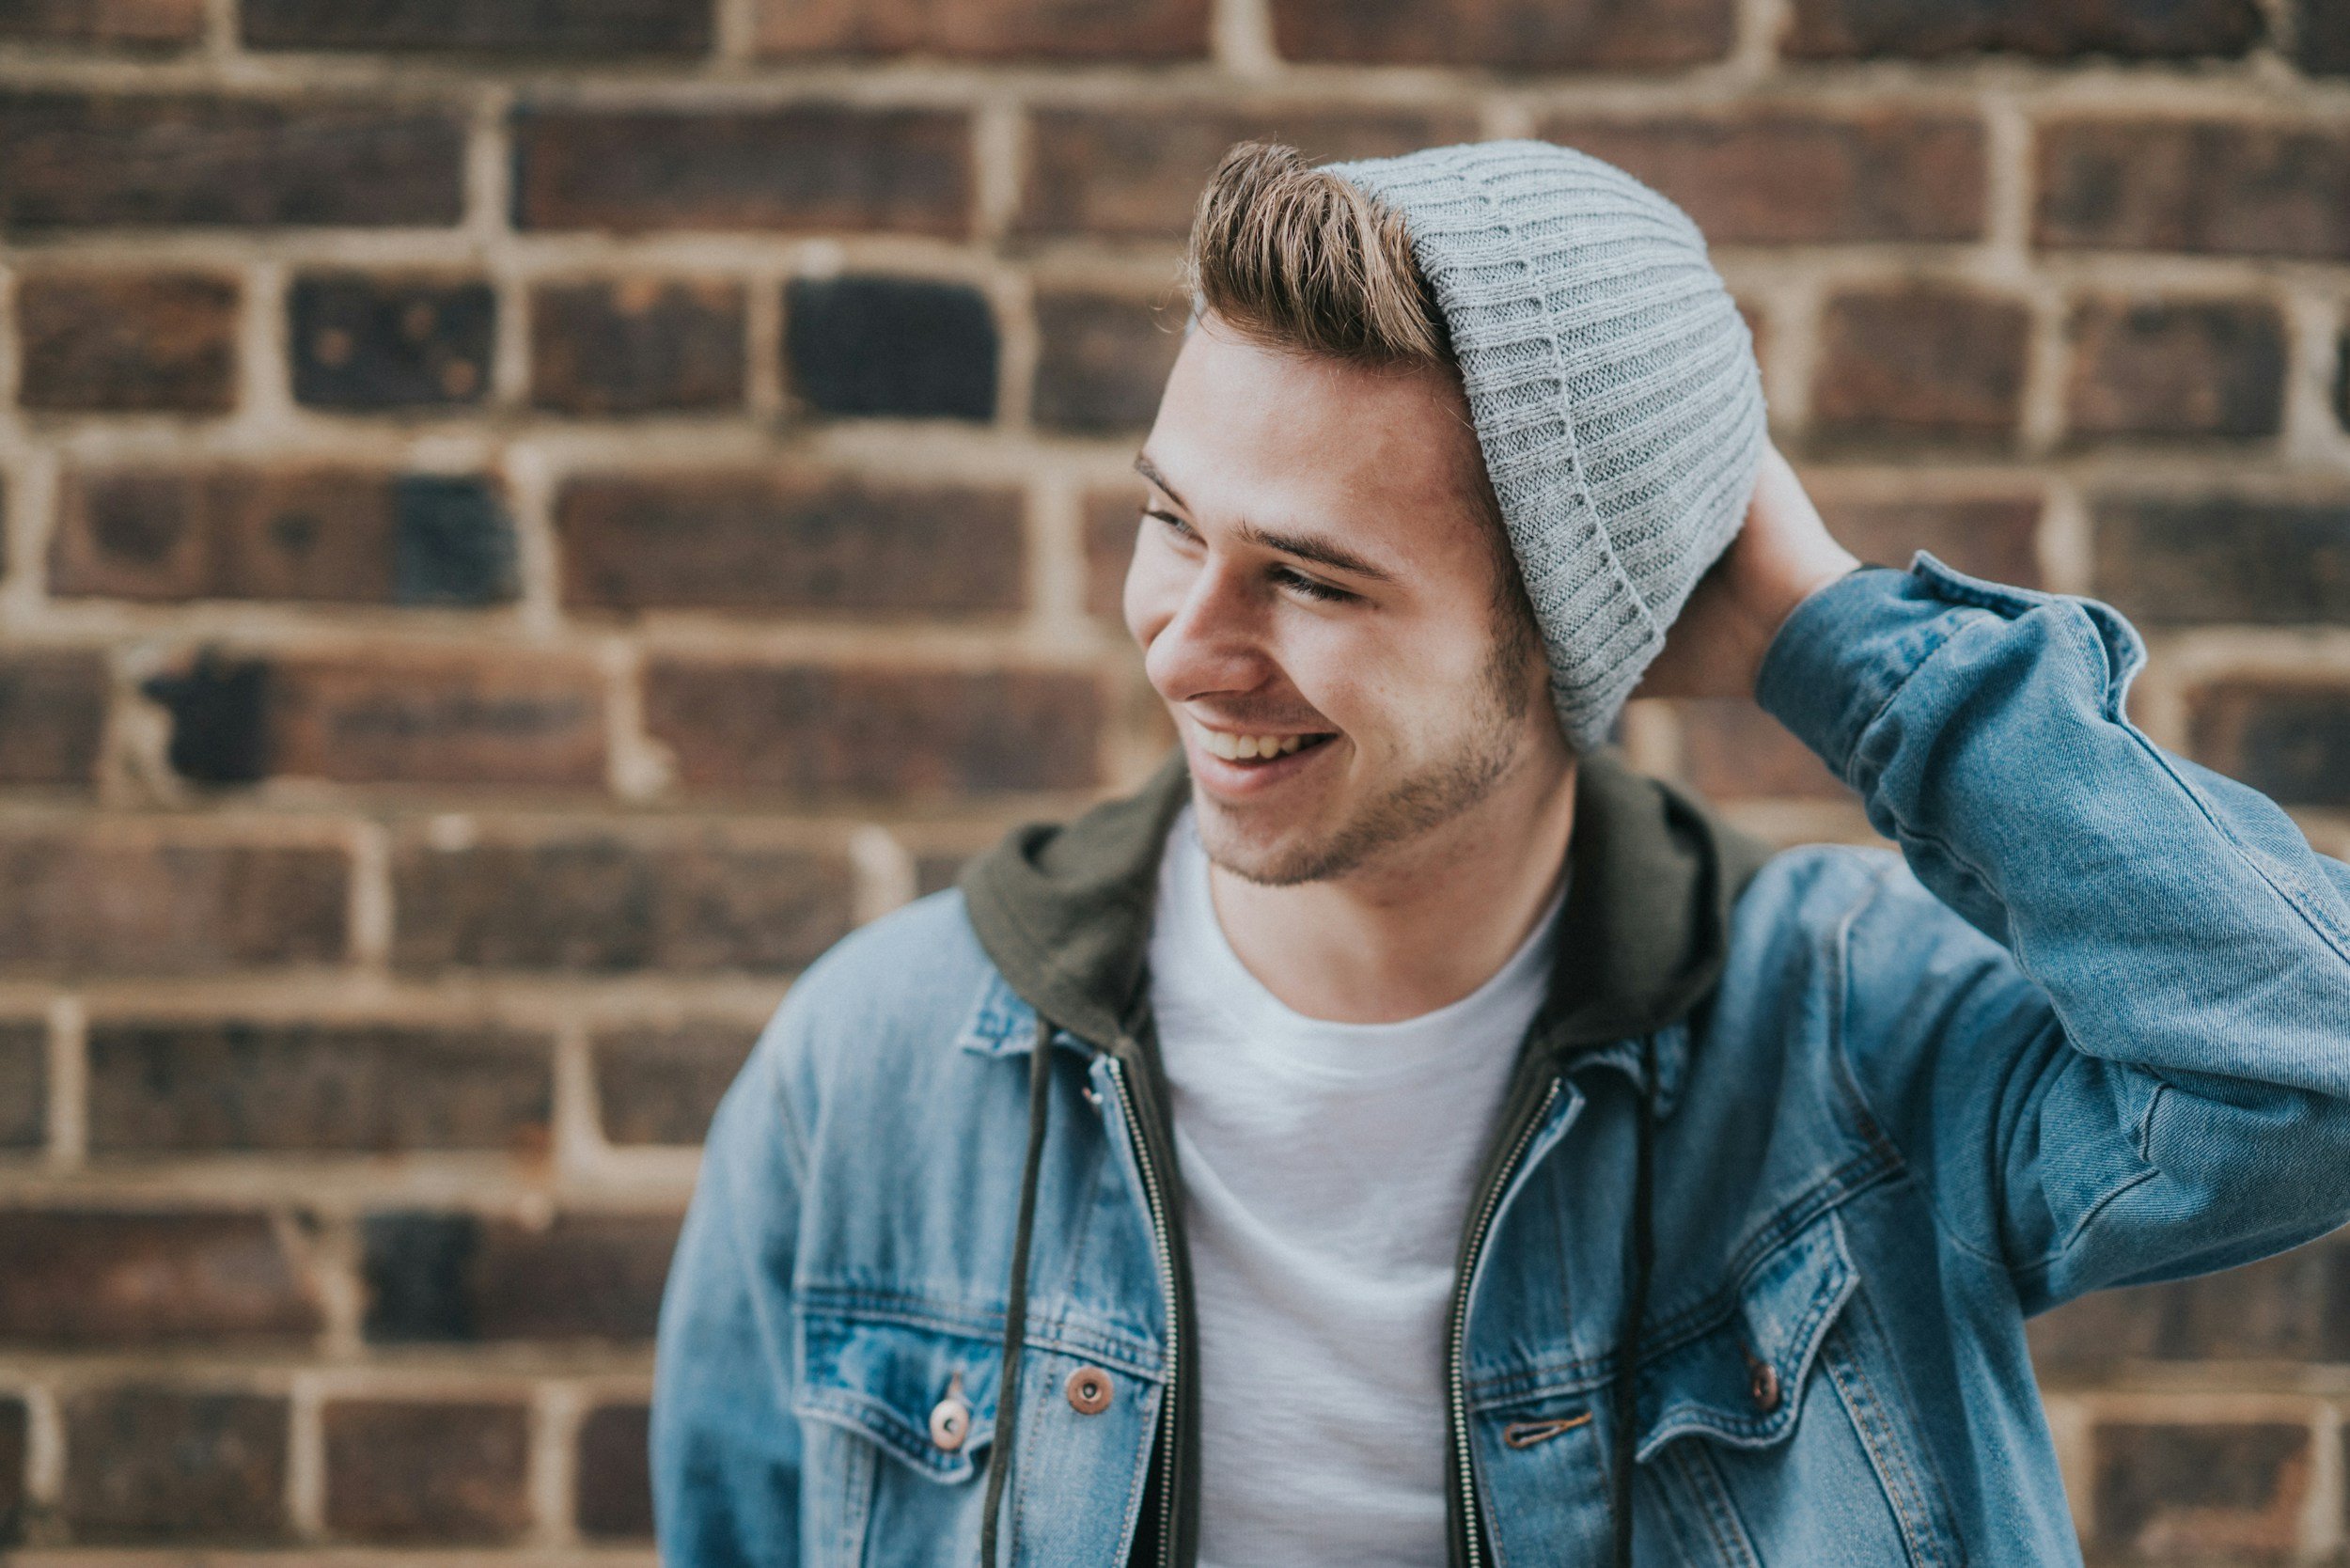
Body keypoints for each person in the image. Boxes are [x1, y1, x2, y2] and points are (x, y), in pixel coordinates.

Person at [650, 138, 2350, 1568]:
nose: (1184, 645)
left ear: (1563, 636)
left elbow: (2307, 1064)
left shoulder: (1852, 1043)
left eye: (1311, 578)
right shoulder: (875, 1066)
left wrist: (1822, 633)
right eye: (1174, 523)